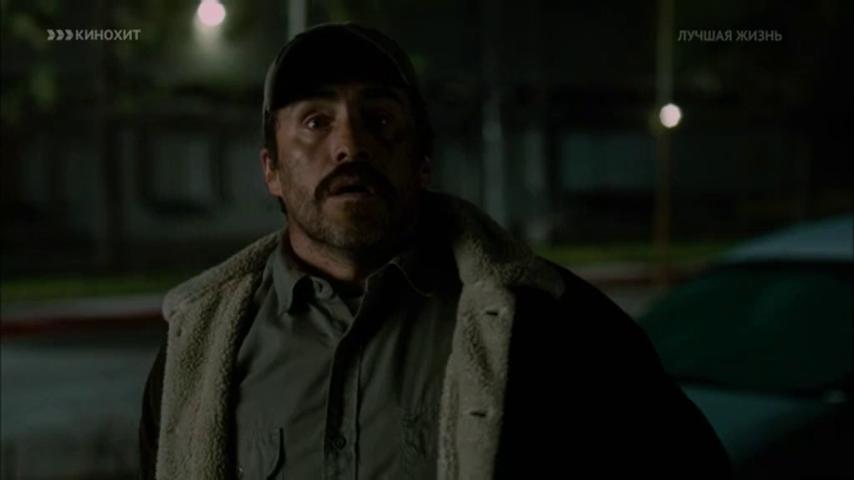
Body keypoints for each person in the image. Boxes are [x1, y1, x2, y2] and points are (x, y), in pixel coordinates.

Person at [139, 22, 730, 480]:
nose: (350, 145)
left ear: (422, 162)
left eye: (379, 119)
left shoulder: (549, 323)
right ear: (271, 170)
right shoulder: (202, 348)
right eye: (316, 122)